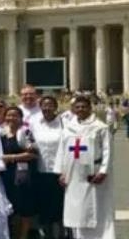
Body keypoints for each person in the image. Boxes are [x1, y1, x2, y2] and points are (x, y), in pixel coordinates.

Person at [54, 96, 115, 239]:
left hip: (93, 174)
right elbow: (61, 150)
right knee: (76, 211)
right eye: (77, 107)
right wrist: (60, 173)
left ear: (90, 108)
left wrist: (103, 171)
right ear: (74, 109)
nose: (80, 109)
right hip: (73, 175)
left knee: (96, 209)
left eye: (84, 107)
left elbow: (108, 151)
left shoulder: (101, 127)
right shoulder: (68, 128)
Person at [0, 106, 38, 239]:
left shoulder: (26, 133)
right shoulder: (2, 134)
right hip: (7, 176)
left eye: (15, 115)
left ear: (21, 118)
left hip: (23, 175)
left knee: (24, 208)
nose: (11, 118)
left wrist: (10, 158)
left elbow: (32, 154)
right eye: (9, 115)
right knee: (10, 208)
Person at [32, 96, 65, 238]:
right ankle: (46, 234)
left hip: (59, 172)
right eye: (44, 105)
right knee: (43, 205)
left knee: (59, 206)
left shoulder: (64, 123)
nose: (47, 108)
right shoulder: (35, 124)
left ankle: (61, 235)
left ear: (56, 107)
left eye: (50, 105)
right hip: (40, 171)